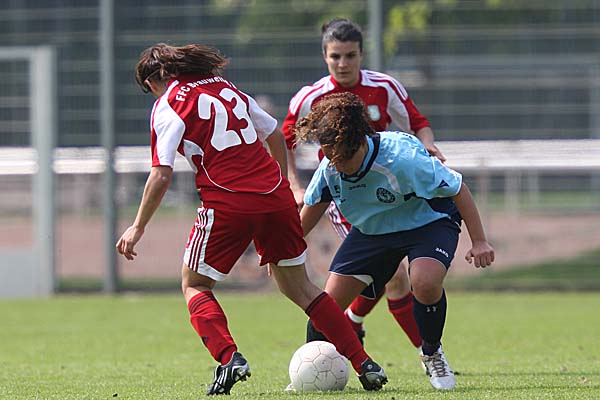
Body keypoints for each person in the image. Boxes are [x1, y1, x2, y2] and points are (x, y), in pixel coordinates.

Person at [116, 43, 388, 395]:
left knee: (195, 284)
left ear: (156, 80)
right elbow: (273, 134)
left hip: (226, 201)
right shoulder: (226, 87)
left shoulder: (168, 104)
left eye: (149, 88)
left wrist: (137, 226)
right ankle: (364, 363)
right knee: (302, 288)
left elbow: (161, 173)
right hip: (275, 198)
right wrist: (280, 183)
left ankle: (229, 358)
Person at [295, 92, 495, 390]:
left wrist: (479, 241)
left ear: (362, 141)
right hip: (373, 231)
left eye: (344, 157)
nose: (338, 165)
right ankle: (312, 371)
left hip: (427, 222)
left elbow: (458, 188)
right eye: (330, 156)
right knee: (326, 307)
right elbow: (307, 216)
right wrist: (282, 252)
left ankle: (432, 353)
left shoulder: (402, 158)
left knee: (424, 282)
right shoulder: (331, 168)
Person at [282, 18, 445, 359]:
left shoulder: (384, 87)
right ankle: (428, 355)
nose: (343, 64)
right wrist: (294, 185)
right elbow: (284, 143)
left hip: (391, 194)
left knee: (384, 274)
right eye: (335, 56)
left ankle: (354, 322)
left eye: (350, 56)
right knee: (394, 276)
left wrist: (428, 145)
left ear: (361, 54)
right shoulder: (310, 97)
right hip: (346, 196)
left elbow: (418, 124)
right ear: (325, 56)